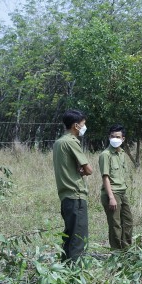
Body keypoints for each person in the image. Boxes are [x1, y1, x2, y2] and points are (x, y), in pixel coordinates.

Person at [52, 109, 92, 263]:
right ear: (76, 125)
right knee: (79, 238)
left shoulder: (59, 142)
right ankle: (76, 273)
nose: (84, 127)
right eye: (83, 124)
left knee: (69, 236)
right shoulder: (71, 142)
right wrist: (83, 170)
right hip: (76, 196)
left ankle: (64, 268)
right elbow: (88, 169)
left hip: (65, 196)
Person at [98, 124, 134, 250]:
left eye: (118, 137)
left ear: (123, 139)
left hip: (122, 192)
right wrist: (111, 197)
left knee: (128, 222)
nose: (115, 139)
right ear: (109, 137)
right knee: (115, 225)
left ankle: (127, 250)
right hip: (112, 193)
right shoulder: (105, 155)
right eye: (112, 136)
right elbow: (105, 177)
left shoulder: (122, 153)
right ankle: (117, 254)